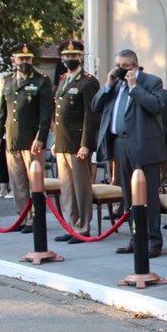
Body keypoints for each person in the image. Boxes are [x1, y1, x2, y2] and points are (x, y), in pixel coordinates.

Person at [93, 48, 166, 256]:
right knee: (128, 195)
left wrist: (134, 87)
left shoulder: (152, 82)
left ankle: (153, 241)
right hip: (120, 144)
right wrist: (107, 85)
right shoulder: (115, 84)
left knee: (148, 196)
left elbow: (156, 106)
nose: (121, 70)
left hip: (144, 147)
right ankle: (136, 238)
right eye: (118, 65)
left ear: (135, 66)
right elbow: (95, 106)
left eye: (125, 66)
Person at [0, 44, 54, 222]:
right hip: (13, 137)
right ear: (14, 60)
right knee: (17, 182)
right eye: (21, 59)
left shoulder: (41, 80)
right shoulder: (7, 80)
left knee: (34, 181)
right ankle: (23, 216)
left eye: (28, 59)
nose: (25, 62)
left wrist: (41, 138)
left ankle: (36, 217)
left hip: (32, 139)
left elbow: (46, 113)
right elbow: (2, 111)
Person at [52, 40, 100, 244]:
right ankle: (71, 225)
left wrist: (86, 144)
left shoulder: (88, 81)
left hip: (78, 144)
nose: (70, 59)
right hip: (63, 142)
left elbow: (91, 116)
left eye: (74, 55)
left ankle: (83, 227)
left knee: (81, 187)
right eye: (66, 56)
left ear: (80, 57)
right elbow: (58, 114)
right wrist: (55, 141)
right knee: (67, 188)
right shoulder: (63, 79)